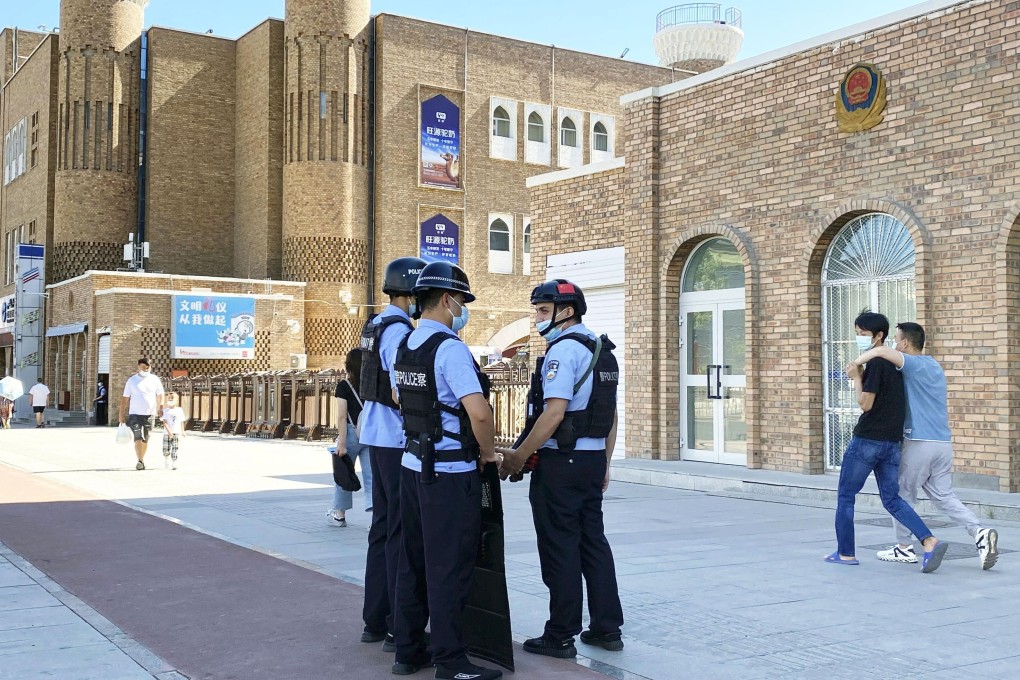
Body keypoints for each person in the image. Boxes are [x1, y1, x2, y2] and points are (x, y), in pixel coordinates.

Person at [498, 279, 624, 659]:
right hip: (588, 462)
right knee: (593, 545)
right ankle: (606, 628)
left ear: (565, 312)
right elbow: (610, 415)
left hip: (561, 464)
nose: (536, 318)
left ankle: (560, 634)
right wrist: (604, 461)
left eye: (542, 310)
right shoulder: (602, 350)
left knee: (560, 548)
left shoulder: (562, 352)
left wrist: (518, 457)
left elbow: (553, 413)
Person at [390, 261, 501, 680]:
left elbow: (403, 400)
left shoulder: (406, 344)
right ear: (447, 300)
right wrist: (488, 454)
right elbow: (480, 413)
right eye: (462, 302)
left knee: (413, 561)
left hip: (412, 465)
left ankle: (407, 650)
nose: (463, 310)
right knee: (448, 565)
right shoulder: (450, 348)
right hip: (450, 474)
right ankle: (451, 662)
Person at [852, 322, 999, 570]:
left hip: (918, 442)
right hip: (942, 443)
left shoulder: (914, 363)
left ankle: (904, 547)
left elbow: (881, 352)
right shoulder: (934, 366)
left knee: (901, 496)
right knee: (943, 495)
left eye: (897, 340)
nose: (895, 345)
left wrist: (857, 363)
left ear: (906, 343)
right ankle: (980, 532)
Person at [830, 312, 947, 573]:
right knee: (892, 499)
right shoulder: (897, 364)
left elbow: (866, 404)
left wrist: (856, 377)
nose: (859, 338)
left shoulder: (878, 363)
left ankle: (846, 553)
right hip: (892, 443)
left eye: (862, 334)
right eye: (857, 333)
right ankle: (929, 541)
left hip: (867, 440)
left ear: (878, 336)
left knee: (846, 496)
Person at [356, 256, 426, 650]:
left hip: (373, 435)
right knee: (400, 531)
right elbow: (402, 387)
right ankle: (399, 623)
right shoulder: (399, 332)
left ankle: (375, 618)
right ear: (413, 294)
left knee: (381, 529)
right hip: (395, 440)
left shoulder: (376, 323)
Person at [329, 348, 372, 527]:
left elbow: (341, 416)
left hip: (350, 433)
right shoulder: (371, 385)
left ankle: (339, 514)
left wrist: (342, 442)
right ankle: (375, 518)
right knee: (373, 478)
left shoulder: (344, 386)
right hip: (370, 434)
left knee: (344, 473)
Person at [119, 358, 165, 471]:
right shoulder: (132, 381)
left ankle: (142, 458)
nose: (146, 369)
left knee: (146, 438)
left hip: (149, 414)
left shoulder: (154, 380)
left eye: (148, 367)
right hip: (135, 414)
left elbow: (160, 395)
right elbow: (125, 399)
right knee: (138, 437)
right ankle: (139, 460)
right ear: (138, 366)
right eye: (144, 367)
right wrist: (121, 414)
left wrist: (161, 407)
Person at [160, 392, 186, 470]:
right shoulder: (165, 411)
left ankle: (174, 463)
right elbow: (164, 422)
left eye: (172, 398)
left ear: (176, 400)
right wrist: (169, 432)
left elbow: (181, 422)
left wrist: (183, 431)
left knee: (175, 448)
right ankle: (166, 459)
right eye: (169, 398)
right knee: (166, 449)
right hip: (166, 433)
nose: (170, 399)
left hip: (176, 432)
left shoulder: (179, 410)